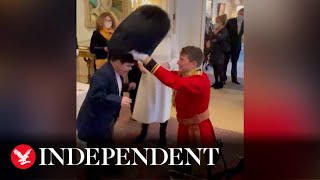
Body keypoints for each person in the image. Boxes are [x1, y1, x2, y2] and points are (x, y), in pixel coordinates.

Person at [130, 46, 217, 178]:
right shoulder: (190, 75)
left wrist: (146, 58)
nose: (177, 62)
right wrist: (146, 63)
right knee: (182, 159)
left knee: (197, 166)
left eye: (181, 59)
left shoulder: (199, 81)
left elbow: (172, 80)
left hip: (196, 129)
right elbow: (169, 74)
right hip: (185, 125)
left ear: (193, 63)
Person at [132, 34, 179, 147]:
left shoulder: (171, 38)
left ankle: (162, 135)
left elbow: (176, 57)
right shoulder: (147, 37)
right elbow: (139, 54)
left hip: (164, 75)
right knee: (147, 104)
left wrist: (166, 64)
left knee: (163, 105)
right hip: (148, 75)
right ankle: (143, 132)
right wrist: (140, 64)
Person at [206, 14, 230, 89]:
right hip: (214, 51)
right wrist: (212, 39)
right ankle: (216, 81)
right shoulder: (215, 29)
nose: (216, 23)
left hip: (220, 52)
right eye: (216, 21)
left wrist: (215, 37)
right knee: (215, 67)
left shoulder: (224, 30)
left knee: (220, 68)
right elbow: (212, 38)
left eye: (217, 21)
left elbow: (221, 38)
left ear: (221, 22)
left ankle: (221, 82)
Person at [225, 8, 244, 84]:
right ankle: (223, 78)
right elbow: (225, 32)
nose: (241, 16)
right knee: (225, 62)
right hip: (228, 44)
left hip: (237, 45)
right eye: (240, 14)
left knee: (234, 62)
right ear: (238, 13)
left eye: (243, 15)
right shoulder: (230, 21)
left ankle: (234, 78)